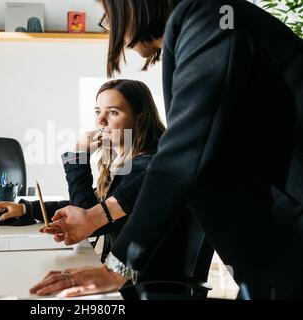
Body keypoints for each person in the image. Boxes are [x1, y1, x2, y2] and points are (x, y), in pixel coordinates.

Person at [31, 0, 303, 299]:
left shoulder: (212, 18)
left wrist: (118, 268)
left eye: (108, 15)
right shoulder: (205, 23)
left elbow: (181, 159)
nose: (114, 31)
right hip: (270, 259)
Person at [0, 79, 175, 266]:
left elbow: (85, 218)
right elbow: (94, 206)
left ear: (139, 119)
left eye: (113, 112)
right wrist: (25, 208)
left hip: (132, 281)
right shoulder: (128, 164)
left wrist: (79, 157)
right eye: (97, 111)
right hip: (119, 271)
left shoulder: (144, 169)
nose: (100, 121)